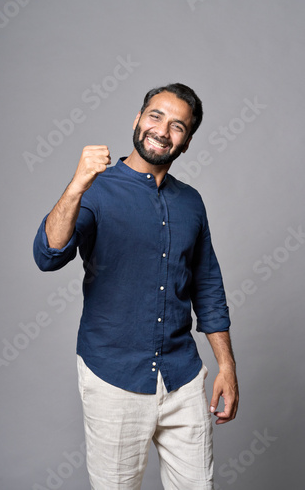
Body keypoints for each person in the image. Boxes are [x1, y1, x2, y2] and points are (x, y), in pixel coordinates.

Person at [33, 83, 239, 490]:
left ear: (187, 141)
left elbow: (209, 288)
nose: (163, 130)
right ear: (137, 120)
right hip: (113, 377)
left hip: (183, 377)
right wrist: (76, 185)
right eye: (155, 116)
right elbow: (48, 255)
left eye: (177, 126)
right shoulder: (94, 190)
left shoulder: (191, 202)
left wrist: (227, 368)